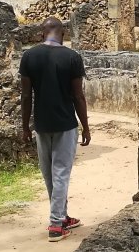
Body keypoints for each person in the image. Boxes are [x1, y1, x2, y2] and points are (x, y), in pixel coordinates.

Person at [20, 17, 91, 242]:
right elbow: (78, 96)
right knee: (60, 172)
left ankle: (61, 216)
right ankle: (55, 224)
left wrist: (25, 127)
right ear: (63, 34)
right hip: (66, 124)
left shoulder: (29, 56)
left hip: (42, 124)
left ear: (42, 34)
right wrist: (86, 127)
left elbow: (25, 95)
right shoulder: (72, 57)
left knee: (49, 173)